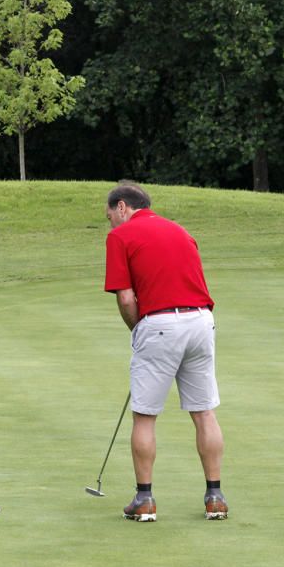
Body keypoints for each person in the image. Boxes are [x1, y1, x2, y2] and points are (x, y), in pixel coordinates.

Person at [104, 182, 227, 522]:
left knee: (144, 415)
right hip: (201, 321)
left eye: (110, 215)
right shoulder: (180, 231)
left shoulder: (120, 237)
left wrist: (138, 330)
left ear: (123, 207)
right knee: (204, 411)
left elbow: (127, 298)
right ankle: (215, 496)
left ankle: (144, 500)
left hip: (160, 323)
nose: (111, 223)